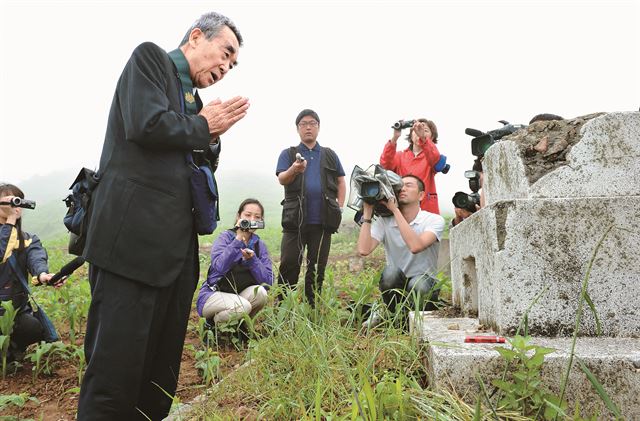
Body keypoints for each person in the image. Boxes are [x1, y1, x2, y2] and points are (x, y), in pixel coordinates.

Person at [78, 12, 249, 420]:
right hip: (131, 251)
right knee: (115, 376)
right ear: (195, 37)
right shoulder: (151, 61)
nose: (225, 67)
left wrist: (209, 138)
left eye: (233, 64)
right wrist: (203, 127)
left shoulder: (195, 104)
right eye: (225, 53)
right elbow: (146, 124)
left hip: (172, 259)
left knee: (158, 378)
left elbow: (191, 172)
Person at [276, 109, 346, 307]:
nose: (308, 127)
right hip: (295, 219)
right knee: (289, 263)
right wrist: (294, 169)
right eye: (304, 123)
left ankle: (312, 307)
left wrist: (339, 207)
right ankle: (284, 308)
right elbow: (282, 178)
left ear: (318, 127)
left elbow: (341, 181)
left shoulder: (330, 155)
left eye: (312, 123)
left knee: (316, 268)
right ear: (298, 129)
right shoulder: (289, 153)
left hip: (323, 219)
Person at [356, 175, 445, 328]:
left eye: (409, 185)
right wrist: (368, 213)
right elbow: (364, 250)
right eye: (400, 186)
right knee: (390, 273)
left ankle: (416, 323)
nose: (403, 188)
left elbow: (415, 246)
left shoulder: (433, 220)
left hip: (424, 283)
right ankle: (396, 319)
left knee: (418, 284)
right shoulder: (385, 221)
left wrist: (396, 211)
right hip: (398, 283)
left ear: (421, 195)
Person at [0, 184, 59, 361]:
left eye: (17, 201)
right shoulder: (7, 232)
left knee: (33, 328)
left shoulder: (27, 239)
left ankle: (13, 349)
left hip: (16, 309)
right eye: (9, 201)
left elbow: (36, 259)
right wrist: (10, 221)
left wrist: (43, 275)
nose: (14, 206)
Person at [196, 199, 273, 326]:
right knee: (243, 306)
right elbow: (218, 268)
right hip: (213, 295)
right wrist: (237, 240)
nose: (251, 219)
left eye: (257, 217)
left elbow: (268, 283)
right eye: (247, 215)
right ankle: (212, 326)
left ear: (261, 221)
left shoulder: (259, 246)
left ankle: (241, 327)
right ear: (239, 217)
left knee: (260, 293)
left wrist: (252, 260)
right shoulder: (224, 238)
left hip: (239, 296)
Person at [379, 119, 442, 214]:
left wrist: (424, 139)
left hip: (426, 208)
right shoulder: (400, 155)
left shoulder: (431, 156)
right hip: (403, 207)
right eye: (416, 130)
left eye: (425, 131)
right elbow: (385, 164)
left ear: (432, 137)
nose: (419, 133)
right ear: (411, 135)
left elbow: (435, 159)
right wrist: (395, 138)